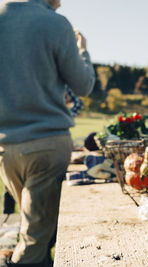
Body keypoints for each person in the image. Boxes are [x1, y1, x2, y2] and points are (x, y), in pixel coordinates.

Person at [0, 0, 95, 265]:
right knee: (35, 241)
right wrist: (83, 51)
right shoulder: (55, 23)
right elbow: (83, 85)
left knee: (35, 232)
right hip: (47, 144)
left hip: (6, 149)